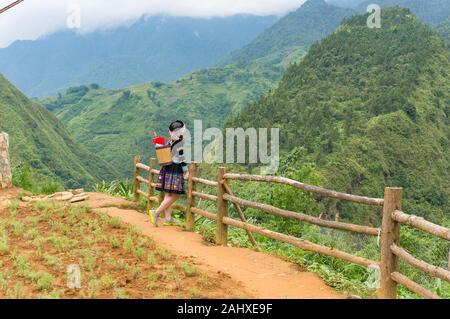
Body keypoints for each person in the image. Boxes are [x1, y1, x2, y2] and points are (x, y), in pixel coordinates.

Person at [149, 120, 189, 227]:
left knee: (168, 194)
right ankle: (156, 212)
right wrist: (186, 171)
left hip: (167, 168)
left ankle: (168, 218)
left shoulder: (170, 141)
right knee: (175, 196)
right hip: (175, 170)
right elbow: (182, 158)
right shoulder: (181, 142)